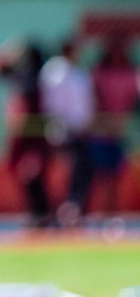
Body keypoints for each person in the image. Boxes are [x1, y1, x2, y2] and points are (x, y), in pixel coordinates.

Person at [0, 40, 52, 227]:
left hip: (34, 134)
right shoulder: (22, 75)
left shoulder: (37, 78)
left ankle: (42, 213)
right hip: (22, 134)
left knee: (32, 172)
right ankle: (38, 213)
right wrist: (10, 51)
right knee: (26, 173)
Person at [39, 38, 94, 223]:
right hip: (62, 130)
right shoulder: (55, 72)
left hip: (79, 130)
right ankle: (58, 209)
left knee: (81, 169)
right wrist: (63, 124)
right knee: (63, 170)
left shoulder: (78, 72)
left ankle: (71, 208)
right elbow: (53, 104)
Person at [88, 37, 138, 219]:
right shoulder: (99, 73)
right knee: (102, 174)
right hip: (101, 130)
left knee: (117, 175)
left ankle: (112, 214)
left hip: (121, 131)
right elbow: (93, 98)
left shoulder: (131, 73)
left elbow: (133, 101)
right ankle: (101, 213)